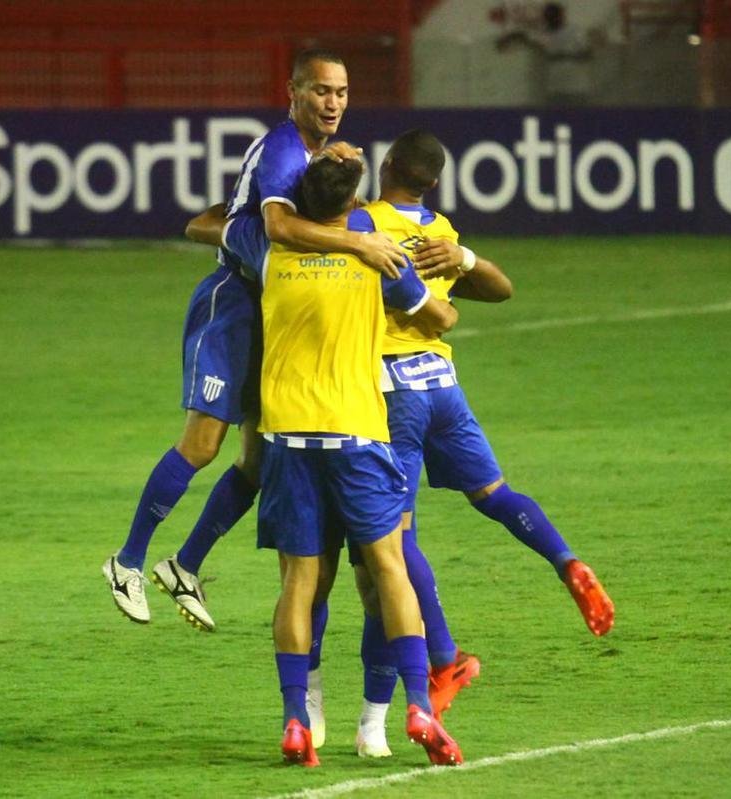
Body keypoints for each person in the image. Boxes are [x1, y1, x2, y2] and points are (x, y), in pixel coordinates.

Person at [101, 50, 406, 629]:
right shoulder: (284, 149)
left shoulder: (319, 154)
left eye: (341, 91)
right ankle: (128, 561)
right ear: (292, 92)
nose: (333, 102)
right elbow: (277, 226)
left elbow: (236, 214)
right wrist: (361, 244)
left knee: (261, 458)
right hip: (233, 303)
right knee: (203, 443)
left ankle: (185, 566)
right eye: (321, 91)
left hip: (274, 311)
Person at [341, 129, 615, 757]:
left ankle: (444, 660)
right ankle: (567, 560)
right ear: (433, 183)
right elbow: (501, 289)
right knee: (494, 493)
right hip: (445, 386)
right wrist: (460, 259)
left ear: (386, 166)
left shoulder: (364, 222)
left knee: (394, 540)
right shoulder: (440, 231)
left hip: (393, 393)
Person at [232, 149, 462, 766]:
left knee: (301, 584)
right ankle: (417, 704)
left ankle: (294, 722)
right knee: (389, 569)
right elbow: (437, 315)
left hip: (287, 442)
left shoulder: (271, 251)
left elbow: (218, 227)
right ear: (354, 204)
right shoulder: (379, 256)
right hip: (358, 435)